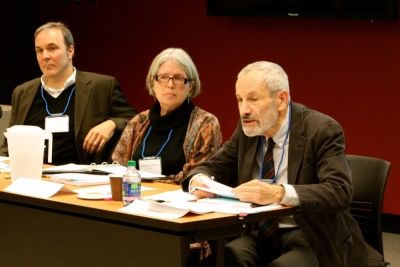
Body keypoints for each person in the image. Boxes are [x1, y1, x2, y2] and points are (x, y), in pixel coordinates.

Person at [182, 61, 367, 266]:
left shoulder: (321, 130)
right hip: (256, 232)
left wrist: (278, 193)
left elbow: (339, 190)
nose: (244, 110)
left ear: (281, 99)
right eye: (239, 100)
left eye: (253, 99)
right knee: (223, 259)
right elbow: (213, 166)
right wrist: (198, 180)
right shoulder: (248, 131)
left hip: (309, 234)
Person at [0, 22, 136, 164]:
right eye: (39, 50)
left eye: (52, 48)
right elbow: (9, 143)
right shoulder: (22, 92)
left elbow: (134, 120)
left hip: (82, 178)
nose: (45, 56)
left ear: (70, 51)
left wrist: (112, 123)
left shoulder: (101, 86)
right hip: (31, 175)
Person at [112, 47, 222, 184]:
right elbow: (118, 168)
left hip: (180, 202)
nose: (170, 85)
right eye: (163, 77)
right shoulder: (139, 121)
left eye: (178, 78)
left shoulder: (205, 123)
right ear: (153, 82)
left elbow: (196, 177)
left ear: (191, 86)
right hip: (135, 197)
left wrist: (146, 183)